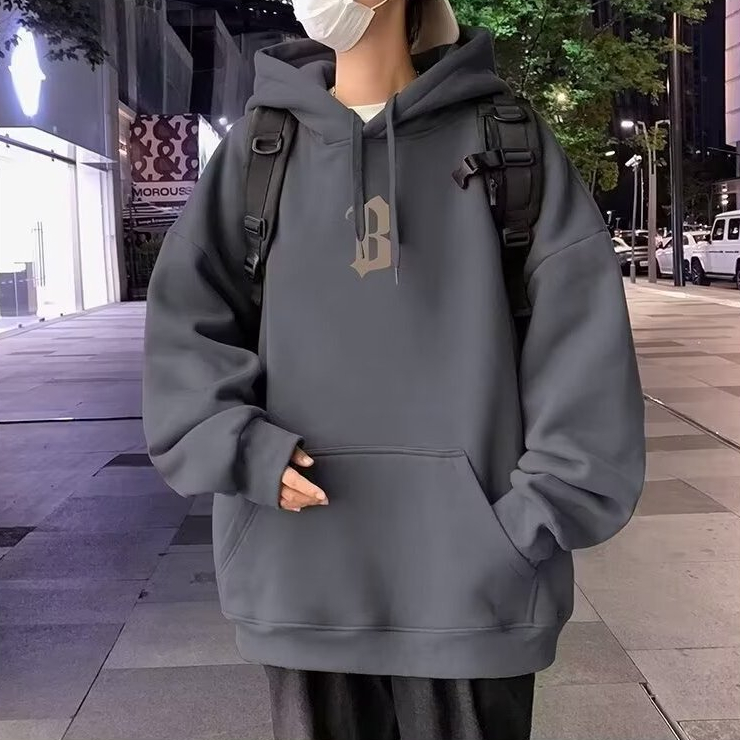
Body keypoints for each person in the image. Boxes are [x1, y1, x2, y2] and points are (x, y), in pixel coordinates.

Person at [142, 0, 646, 737]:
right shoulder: (261, 148)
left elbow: (584, 349)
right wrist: (241, 449)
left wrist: (526, 524)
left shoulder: (508, 141)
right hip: (301, 579)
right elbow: (184, 327)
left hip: (475, 597)